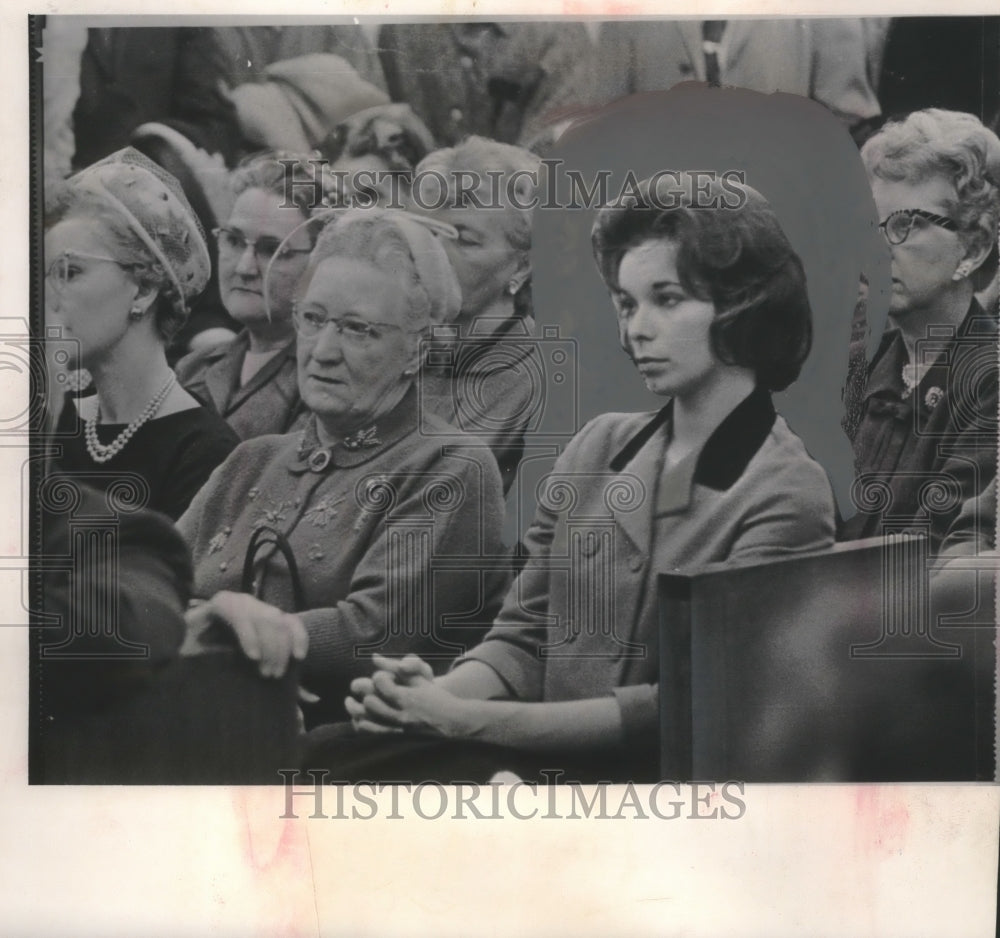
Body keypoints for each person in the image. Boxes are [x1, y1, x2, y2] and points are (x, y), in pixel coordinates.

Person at [311, 172, 837, 782]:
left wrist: (458, 720)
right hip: (533, 765)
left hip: (647, 797)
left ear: (744, 303)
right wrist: (432, 699)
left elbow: (686, 710)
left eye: (667, 299)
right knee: (323, 756)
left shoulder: (785, 491)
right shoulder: (598, 444)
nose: (637, 327)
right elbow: (525, 635)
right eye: (627, 302)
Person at [177, 209, 509, 727]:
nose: (323, 352)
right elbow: (153, 587)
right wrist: (223, 622)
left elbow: (372, 635)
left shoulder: (450, 468)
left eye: (358, 330)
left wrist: (220, 634)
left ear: (417, 351)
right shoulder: (252, 459)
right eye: (312, 320)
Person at [46, 147, 240, 521]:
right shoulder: (57, 421)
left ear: (144, 289)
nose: (48, 297)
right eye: (44, 276)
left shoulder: (204, 452)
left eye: (70, 273)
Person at [841, 109, 1000, 551]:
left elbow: (944, 559)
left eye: (904, 225)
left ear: (974, 246)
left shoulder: (990, 381)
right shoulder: (856, 363)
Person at [408, 137, 543, 495]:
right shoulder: (399, 350)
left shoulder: (543, 383)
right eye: (430, 234)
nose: (435, 254)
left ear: (523, 265)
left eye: (464, 241)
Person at [175, 152, 338, 440]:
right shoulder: (194, 368)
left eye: (272, 250)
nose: (244, 267)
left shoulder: (326, 377)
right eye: (234, 241)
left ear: (320, 262)